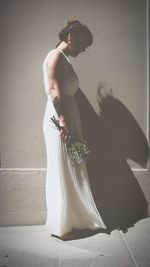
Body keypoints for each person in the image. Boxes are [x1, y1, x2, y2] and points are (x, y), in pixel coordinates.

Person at [42, 19, 106, 240]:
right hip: (61, 119)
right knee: (62, 167)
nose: (83, 50)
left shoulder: (65, 60)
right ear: (71, 38)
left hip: (68, 118)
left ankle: (73, 219)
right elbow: (54, 89)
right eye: (82, 44)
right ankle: (62, 222)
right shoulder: (55, 57)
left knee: (73, 167)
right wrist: (63, 120)